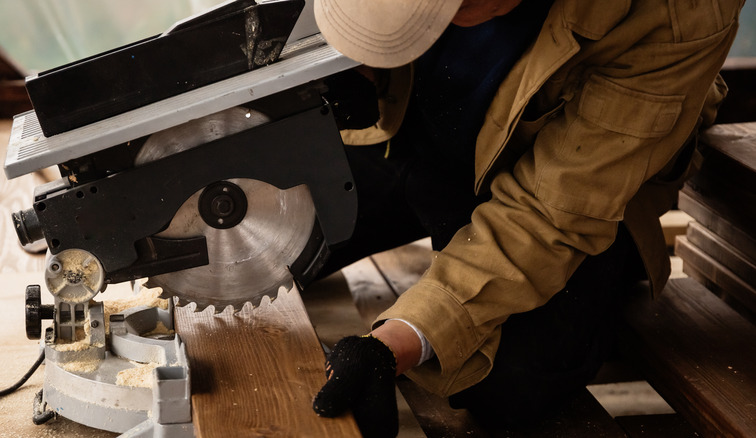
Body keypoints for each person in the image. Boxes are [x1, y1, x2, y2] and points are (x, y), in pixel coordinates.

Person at [310, 0, 744, 436]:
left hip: (571, 178)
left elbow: (551, 214)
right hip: (412, 124)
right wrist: (353, 62)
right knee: (268, 233)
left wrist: (395, 344)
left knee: (508, 382)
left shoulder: (680, 12)